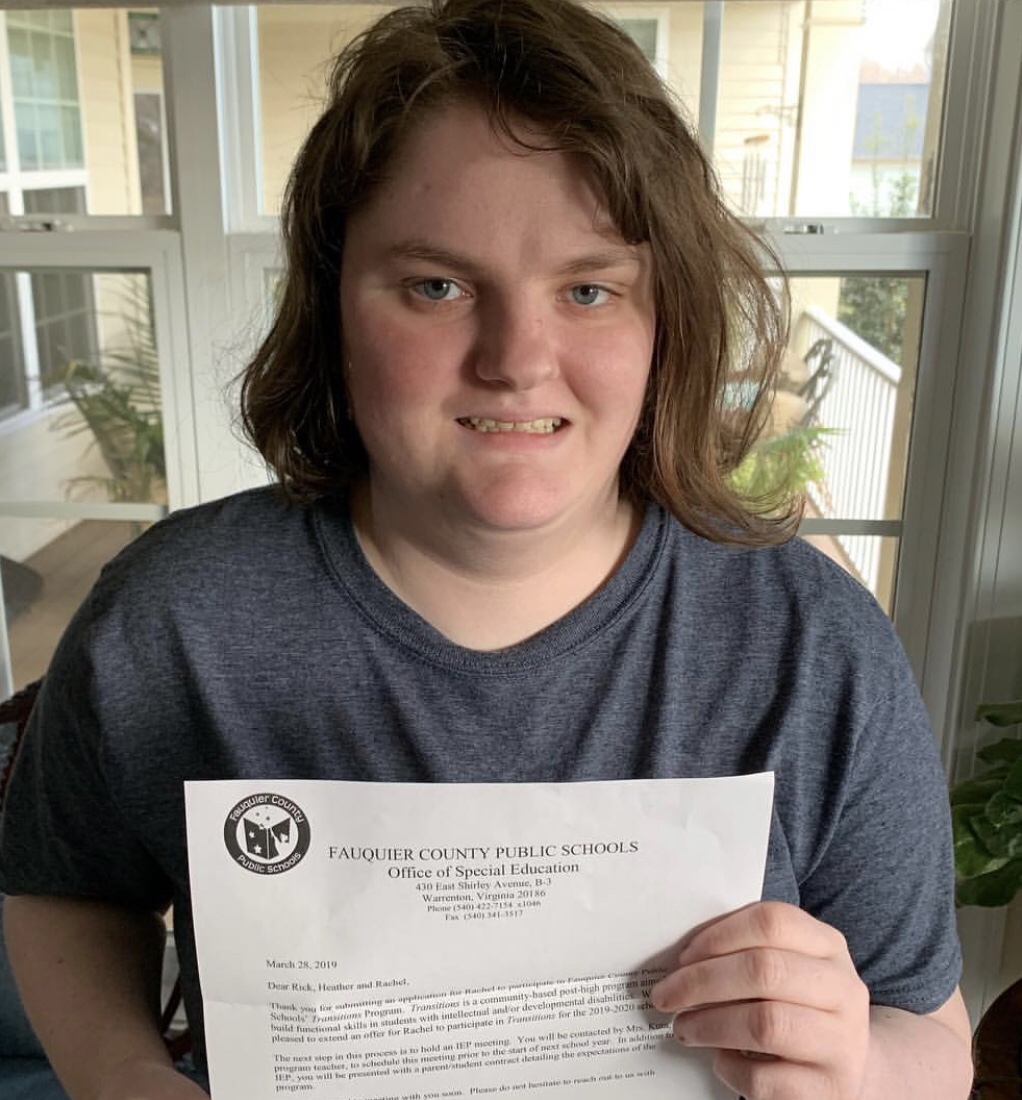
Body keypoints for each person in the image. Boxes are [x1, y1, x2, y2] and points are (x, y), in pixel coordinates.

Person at [0, 0, 972, 1097]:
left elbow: (931, 1038)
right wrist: (123, 1074)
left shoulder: (813, 647)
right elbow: (69, 889)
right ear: (332, 307)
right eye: (437, 286)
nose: (516, 358)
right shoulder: (176, 619)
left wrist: (856, 1065)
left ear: (667, 324)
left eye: (589, 289)